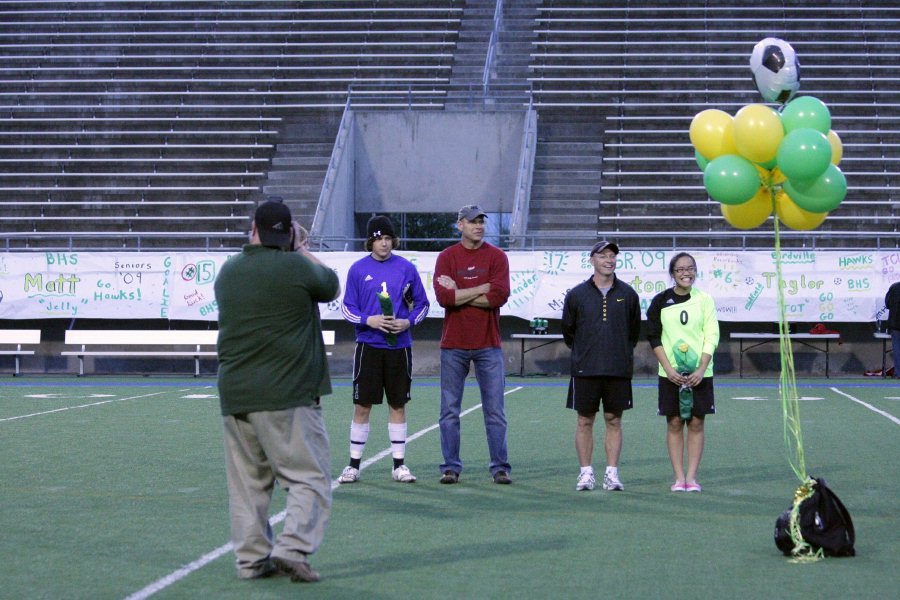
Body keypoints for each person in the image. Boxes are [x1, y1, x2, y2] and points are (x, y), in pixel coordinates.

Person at [214, 199, 340, 582]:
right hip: (286, 394)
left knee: (248, 485)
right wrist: (300, 249)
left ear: (253, 229)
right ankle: (293, 547)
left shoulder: (229, 271)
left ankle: (251, 561)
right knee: (310, 478)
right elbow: (331, 285)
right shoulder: (296, 266)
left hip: (235, 394)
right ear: (287, 234)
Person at [337, 215, 430, 484]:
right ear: (370, 242)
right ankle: (353, 465)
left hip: (399, 348)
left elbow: (422, 305)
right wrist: (370, 320)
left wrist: (407, 322)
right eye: (379, 239)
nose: (384, 244)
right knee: (362, 405)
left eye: (388, 238)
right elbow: (347, 308)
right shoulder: (357, 270)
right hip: (369, 346)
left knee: (398, 404)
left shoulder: (405, 269)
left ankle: (399, 465)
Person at [433, 204, 512, 485]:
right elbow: (444, 298)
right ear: (460, 225)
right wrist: (480, 288)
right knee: (449, 410)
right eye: (473, 221)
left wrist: (459, 291)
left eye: (481, 221)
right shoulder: (446, 257)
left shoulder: (497, 257)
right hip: (453, 345)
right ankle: (450, 467)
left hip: (488, 344)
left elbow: (499, 296)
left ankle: (500, 466)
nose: (479, 226)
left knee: (495, 411)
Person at [561, 241, 641, 492]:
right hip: (585, 369)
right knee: (584, 420)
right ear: (592, 260)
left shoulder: (628, 294)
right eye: (603, 255)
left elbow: (633, 333)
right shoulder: (576, 294)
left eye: (613, 256)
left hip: (618, 369)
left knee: (614, 420)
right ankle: (585, 474)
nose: (609, 260)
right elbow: (568, 333)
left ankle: (612, 474)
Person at [646, 252, 720, 493]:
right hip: (670, 373)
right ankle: (678, 478)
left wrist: (701, 368)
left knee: (697, 422)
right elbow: (653, 336)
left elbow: (712, 334)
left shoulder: (705, 299)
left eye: (690, 268)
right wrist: (668, 369)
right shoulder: (660, 301)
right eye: (680, 269)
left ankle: (692, 478)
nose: (686, 273)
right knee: (675, 422)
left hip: (701, 373)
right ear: (672, 274)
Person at [885, 281, 900, 377]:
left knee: (897, 349)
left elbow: (887, 304)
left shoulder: (894, 287)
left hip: (895, 323)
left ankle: (898, 373)